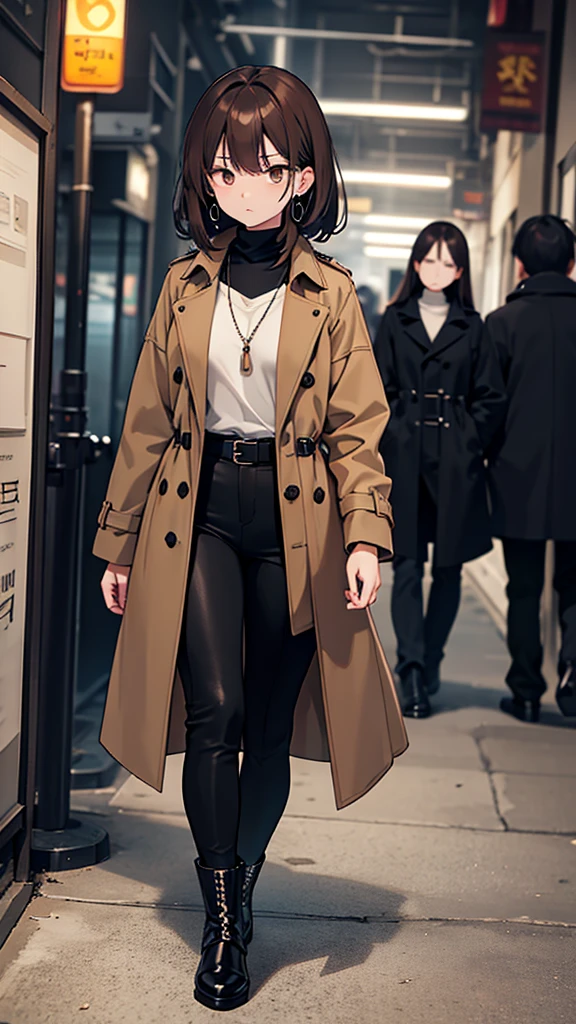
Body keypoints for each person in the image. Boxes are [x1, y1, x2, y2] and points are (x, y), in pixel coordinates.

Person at [92, 65, 407, 1013]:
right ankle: (223, 908)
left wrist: (367, 537)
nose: (249, 187)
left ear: (305, 175)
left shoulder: (334, 296)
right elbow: (148, 416)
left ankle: (245, 864)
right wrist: (119, 538)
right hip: (199, 514)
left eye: (269, 167)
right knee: (215, 714)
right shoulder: (185, 286)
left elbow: (359, 428)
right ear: (208, 179)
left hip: (297, 521)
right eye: (228, 172)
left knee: (268, 725)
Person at [374, 222, 506, 719]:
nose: (437, 271)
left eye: (448, 263)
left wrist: (468, 438)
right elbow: (377, 389)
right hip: (404, 457)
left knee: (449, 569)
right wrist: (396, 431)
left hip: (455, 461)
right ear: (414, 263)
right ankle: (409, 668)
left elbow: (492, 397)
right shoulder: (394, 321)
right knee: (406, 565)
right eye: (429, 260)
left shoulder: (474, 326)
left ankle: (430, 662)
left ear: (461, 270)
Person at [485, 214, 576, 723]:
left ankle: (524, 690)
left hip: (518, 476)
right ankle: (574, 673)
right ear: (570, 264)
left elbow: (489, 405)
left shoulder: (502, 324)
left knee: (523, 587)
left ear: (519, 264)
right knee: (575, 583)